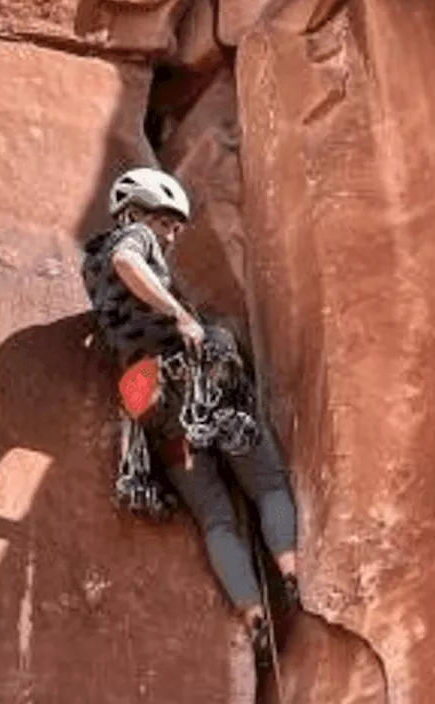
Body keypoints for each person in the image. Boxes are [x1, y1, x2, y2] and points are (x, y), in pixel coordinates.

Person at [80, 166, 301, 667]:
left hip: (148, 399)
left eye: (176, 227)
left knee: (215, 518)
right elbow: (127, 259)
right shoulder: (130, 238)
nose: (172, 234)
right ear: (135, 211)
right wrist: (180, 314)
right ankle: (290, 575)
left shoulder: (88, 268)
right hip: (195, 375)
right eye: (167, 222)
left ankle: (253, 616)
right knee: (266, 483)